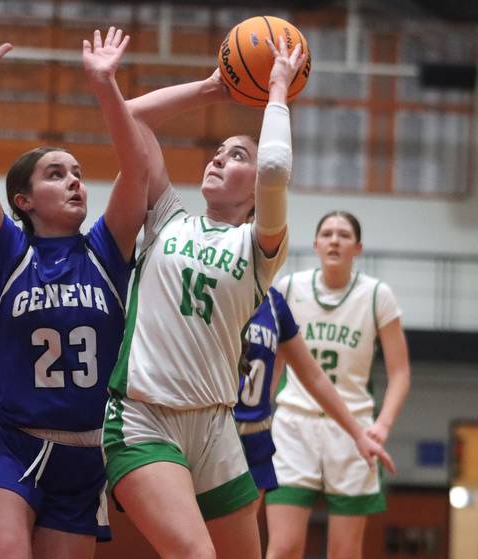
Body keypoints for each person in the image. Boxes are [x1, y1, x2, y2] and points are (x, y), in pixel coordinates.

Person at [0, 4, 148, 558]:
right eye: (56, 174)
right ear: (23, 199)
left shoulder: (108, 251)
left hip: (84, 453)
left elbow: (136, 171)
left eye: (79, 174)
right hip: (5, 440)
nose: (75, 182)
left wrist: (106, 86)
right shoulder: (8, 250)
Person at [100, 37, 307, 559]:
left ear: (255, 190)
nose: (218, 158)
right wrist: (215, 87)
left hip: (215, 423)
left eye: (236, 155)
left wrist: (277, 90)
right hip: (142, 418)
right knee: (195, 555)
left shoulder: (259, 247)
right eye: (217, 152)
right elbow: (131, 118)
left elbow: (276, 170)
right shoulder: (168, 216)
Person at [267, 210, 412, 559]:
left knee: (345, 552)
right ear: (315, 244)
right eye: (327, 233)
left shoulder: (377, 295)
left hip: (353, 430)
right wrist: (258, 415)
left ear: (358, 247)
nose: (334, 240)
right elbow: (272, 362)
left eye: (344, 235)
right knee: (284, 547)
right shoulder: (288, 288)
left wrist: (383, 425)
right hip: (294, 425)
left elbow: (401, 372)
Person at [235, 286, 395, 507]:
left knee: (242, 540)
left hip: (254, 435)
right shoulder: (211, 287)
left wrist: (358, 435)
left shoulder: (273, 302)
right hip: (217, 431)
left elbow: (314, 376)